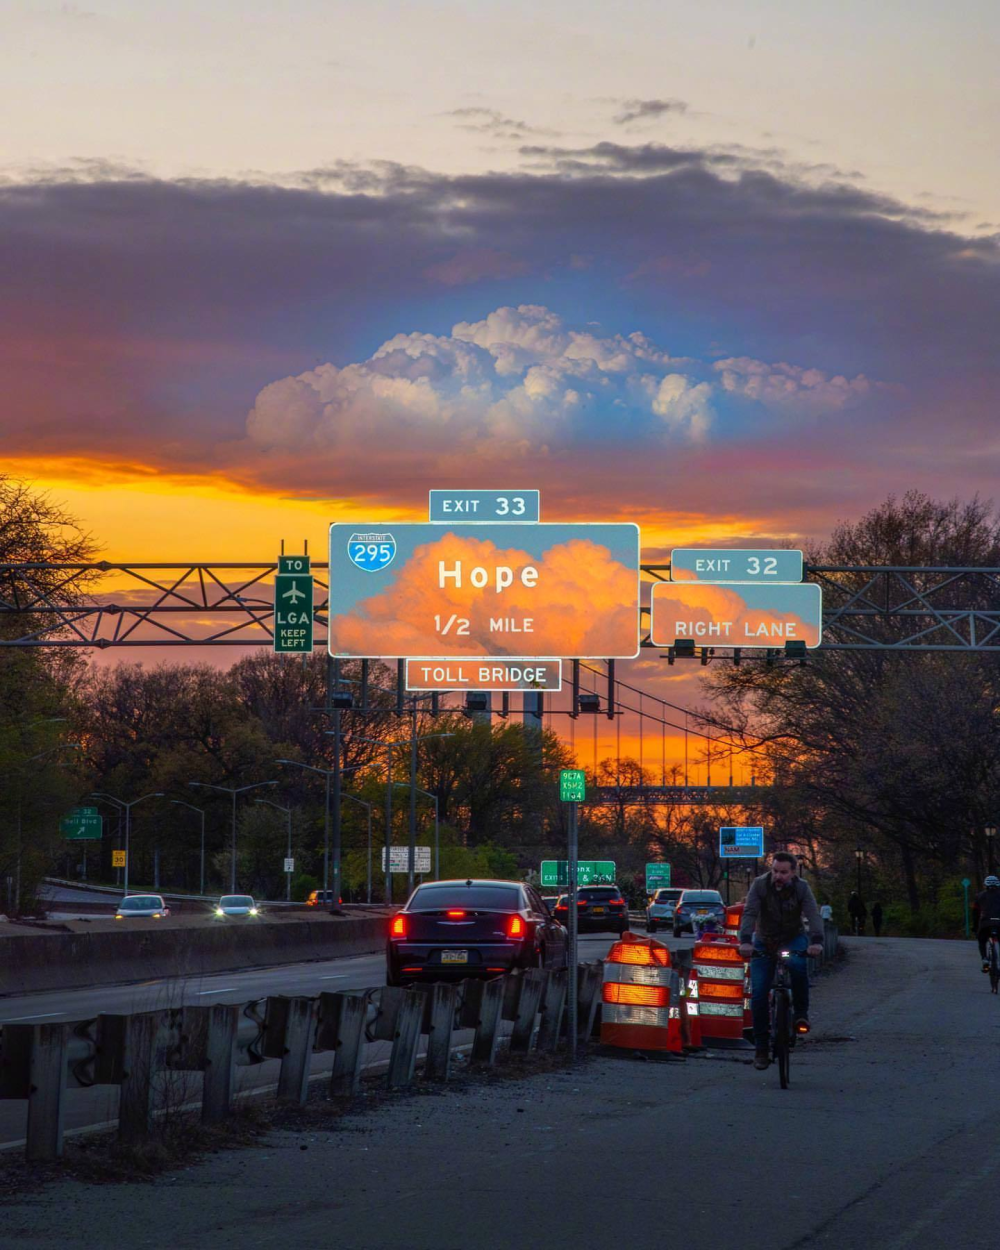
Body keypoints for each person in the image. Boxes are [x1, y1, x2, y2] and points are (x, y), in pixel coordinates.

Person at [738, 852, 824, 1071]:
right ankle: (761, 1048)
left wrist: (816, 941)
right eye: (775, 871)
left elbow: (813, 914)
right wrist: (746, 941)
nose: (778, 876)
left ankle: (801, 1015)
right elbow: (749, 913)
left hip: (792, 938)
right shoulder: (759, 885)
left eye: (784, 872)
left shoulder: (802, 888)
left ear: (793, 872)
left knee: (797, 966)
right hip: (764, 941)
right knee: (758, 993)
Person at [972, 876, 1000, 972]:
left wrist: (975, 928)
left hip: (985, 924)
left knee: (982, 941)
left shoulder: (979, 896)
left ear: (985, 885)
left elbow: (975, 913)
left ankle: (984, 960)